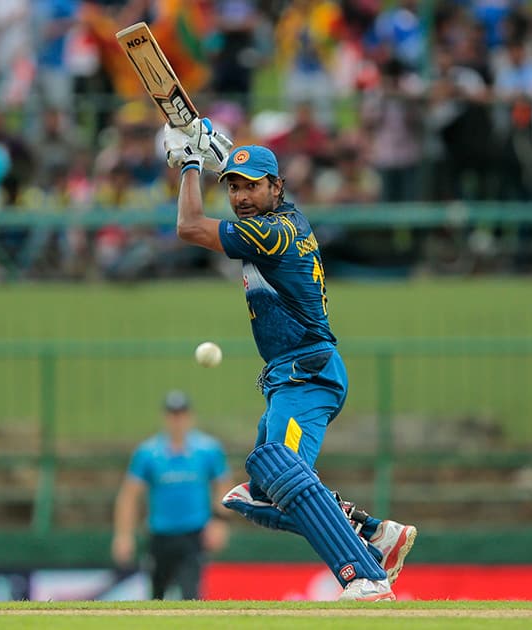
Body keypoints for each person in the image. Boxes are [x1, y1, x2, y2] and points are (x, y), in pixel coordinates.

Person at [161, 119, 417, 602]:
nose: (240, 196)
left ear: (277, 187)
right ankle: (377, 535)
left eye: (252, 187)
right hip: (289, 378)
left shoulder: (272, 233)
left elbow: (189, 227)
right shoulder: (285, 218)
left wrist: (190, 164)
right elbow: (240, 169)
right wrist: (214, 146)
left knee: (279, 467)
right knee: (256, 494)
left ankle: (363, 576)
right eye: (233, 187)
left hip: (307, 376)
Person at [112, 390, 232, 600]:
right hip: (160, 535)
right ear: (166, 417)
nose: (178, 420)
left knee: (190, 595)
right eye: (173, 414)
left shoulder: (207, 450)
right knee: (156, 596)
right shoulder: (148, 453)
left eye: (182, 414)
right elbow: (129, 495)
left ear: (190, 417)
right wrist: (124, 535)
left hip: (193, 535)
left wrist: (219, 521)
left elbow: (223, 485)